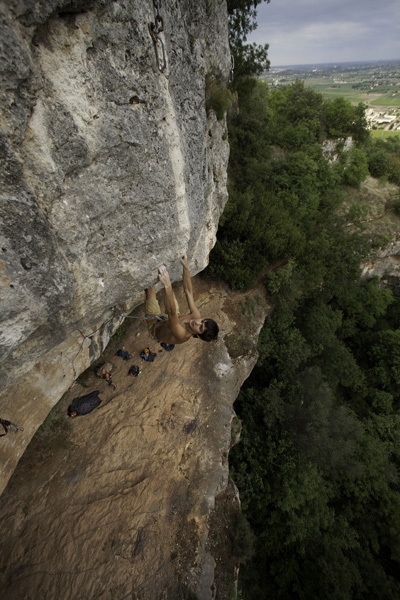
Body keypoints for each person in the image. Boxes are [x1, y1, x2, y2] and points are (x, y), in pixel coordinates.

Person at [145, 256, 219, 345]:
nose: (197, 322)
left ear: (198, 336)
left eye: (200, 328)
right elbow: (189, 292)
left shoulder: (182, 335)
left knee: (150, 289)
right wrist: (186, 267)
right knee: (170, 294)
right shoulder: (196, 316)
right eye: (202, 321)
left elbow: (171, 313)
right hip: (170, 318)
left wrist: (167, 285)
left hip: (155, 326)